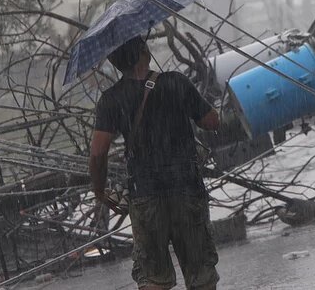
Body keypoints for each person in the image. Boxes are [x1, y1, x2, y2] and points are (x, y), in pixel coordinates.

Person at [89, 36, 220, 290]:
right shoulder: (176, 83)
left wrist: (99, 190)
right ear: (144, 52)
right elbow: (211, 122)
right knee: (200, 273)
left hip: (145, 194)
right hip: (186, 188)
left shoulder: (111, 100)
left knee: (153, 277)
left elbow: (97, 154)